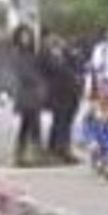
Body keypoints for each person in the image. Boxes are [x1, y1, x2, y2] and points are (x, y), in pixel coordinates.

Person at [40, 34, 83, 164]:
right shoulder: (47, 59)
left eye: (59, 45)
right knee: (61, 123)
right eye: (54, 45)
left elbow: (76, 68)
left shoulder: (67, 57)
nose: (57, 48)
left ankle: (58, 149)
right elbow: (54, 74)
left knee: (65, 123)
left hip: (71, 95)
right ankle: (61, 151)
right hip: (58, 95)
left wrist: (71, 55)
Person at [11, 25, 44, 167]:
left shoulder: (33, 54)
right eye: (23, 36)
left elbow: (39, 70)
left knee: (30, 124)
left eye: (28, 36)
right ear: (18, 38)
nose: (26, 39)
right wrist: (37, 81)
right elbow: (23, 73)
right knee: (30, 123)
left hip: (34, 93)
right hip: (26, 93)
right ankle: (27, 154)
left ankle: (27, 154)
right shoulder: (17, 54)